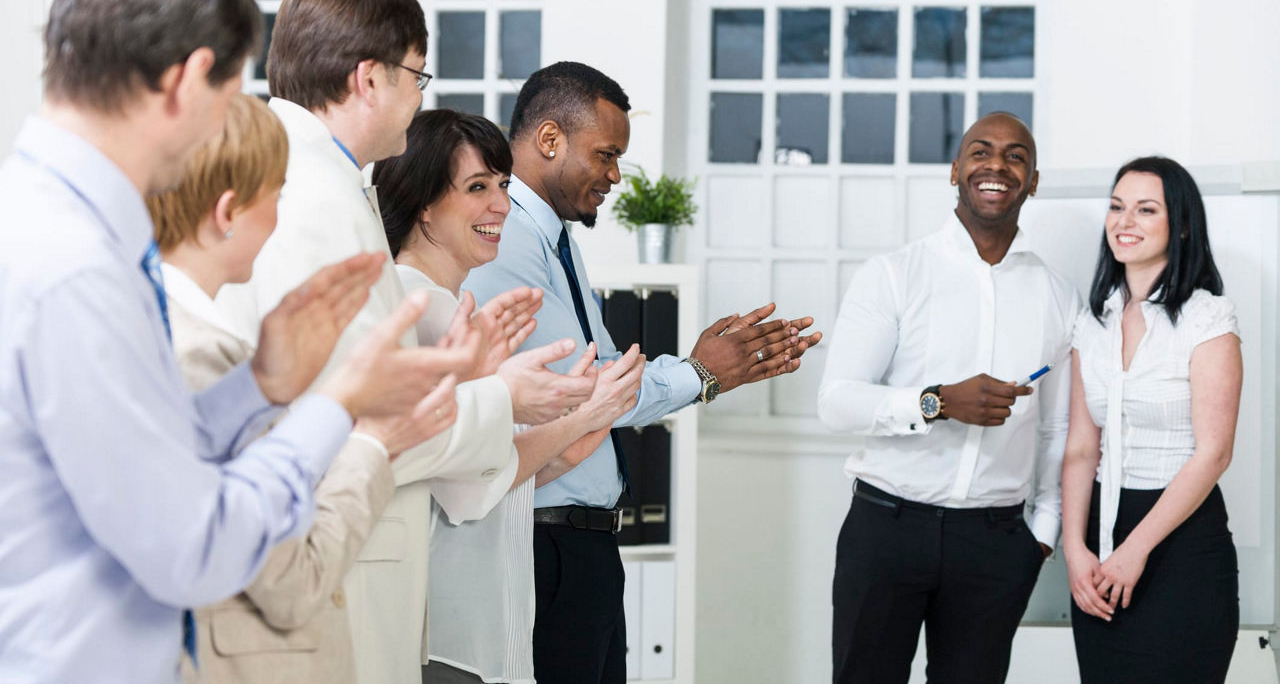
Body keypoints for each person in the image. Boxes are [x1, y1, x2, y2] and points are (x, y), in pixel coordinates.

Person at [0, 0, 475, 683]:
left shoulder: (49, 224)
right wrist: (342, 408)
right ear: (192, 81)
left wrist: (255, 387)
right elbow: (196, 544)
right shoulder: (77, 269)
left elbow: (135, 461)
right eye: (231, 98)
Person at [214, 0, 598, 682]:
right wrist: (501, 394)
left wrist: (461, 369)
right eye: (418, 76)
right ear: (369, 80)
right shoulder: (317, 202)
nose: (421, 96)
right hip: (326, 572)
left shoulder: (323, 185)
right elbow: (364, 425)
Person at [464, 61, 823, 684]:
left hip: (583, 548)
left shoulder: (554, 238)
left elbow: (608, 373)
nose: (615, 174)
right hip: (543, 546)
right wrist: (701, 373)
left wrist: (704, 369)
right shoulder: (507, 239)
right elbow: (584, 390)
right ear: (550, 140)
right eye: (605, 154)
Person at [145, 93, 462, 683]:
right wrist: (375, 440)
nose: (282, 215)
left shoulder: (169, 330)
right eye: (277, 194)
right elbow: (291, 581)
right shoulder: (196, 355)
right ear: (229, 210)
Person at [372, 108, 646, 684]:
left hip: (486, 622)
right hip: (449, 634)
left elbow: (483, 475)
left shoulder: (448, 305)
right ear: (423, 201)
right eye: (478, 188)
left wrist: (568, 441)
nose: (500, 205)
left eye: (501, 184)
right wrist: (572, 418)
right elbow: (466, 491)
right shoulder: (417, 308)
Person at [818, 112, 1081, 684]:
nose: (997, 165)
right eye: (981, 151)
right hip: (887, 528)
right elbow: (836, 402)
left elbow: (1057, 428)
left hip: (997, 545)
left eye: (1016, 157)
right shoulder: (892, 275)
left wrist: (1041, 535)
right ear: (956, 170)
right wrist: (935, 401)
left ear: (1032, 180)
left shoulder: (1058, 296)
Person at [1062, 157, 1240, 683]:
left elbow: (1214, 452)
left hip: (1180, 545)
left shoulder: (1207, 318)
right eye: (1116, 207)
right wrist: (1076, 548)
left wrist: (1134, 549)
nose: (1125, 222)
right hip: (1099, 541)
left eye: (1145, 210)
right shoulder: (1092, 323)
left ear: (1180, 224)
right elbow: (1079, 447)